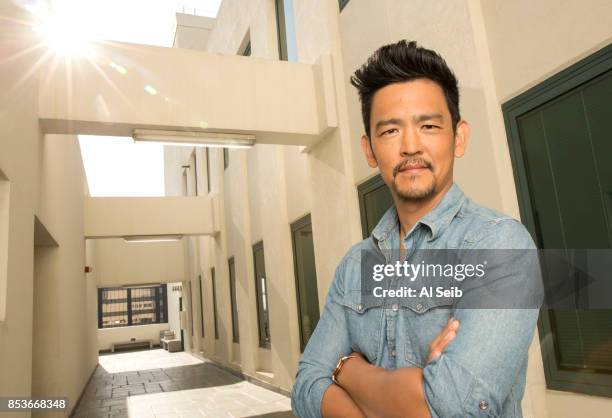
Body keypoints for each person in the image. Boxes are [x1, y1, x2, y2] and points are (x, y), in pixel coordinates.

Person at [291, 40, 540, 418]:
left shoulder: (501, 246)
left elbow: (452, 409)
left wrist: (347, 370)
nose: (410, 146)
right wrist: (410, 392)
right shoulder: (354, 265)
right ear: (370, 149)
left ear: (458, 137)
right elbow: (305, 388)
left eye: (428, 125)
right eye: (390, 131)